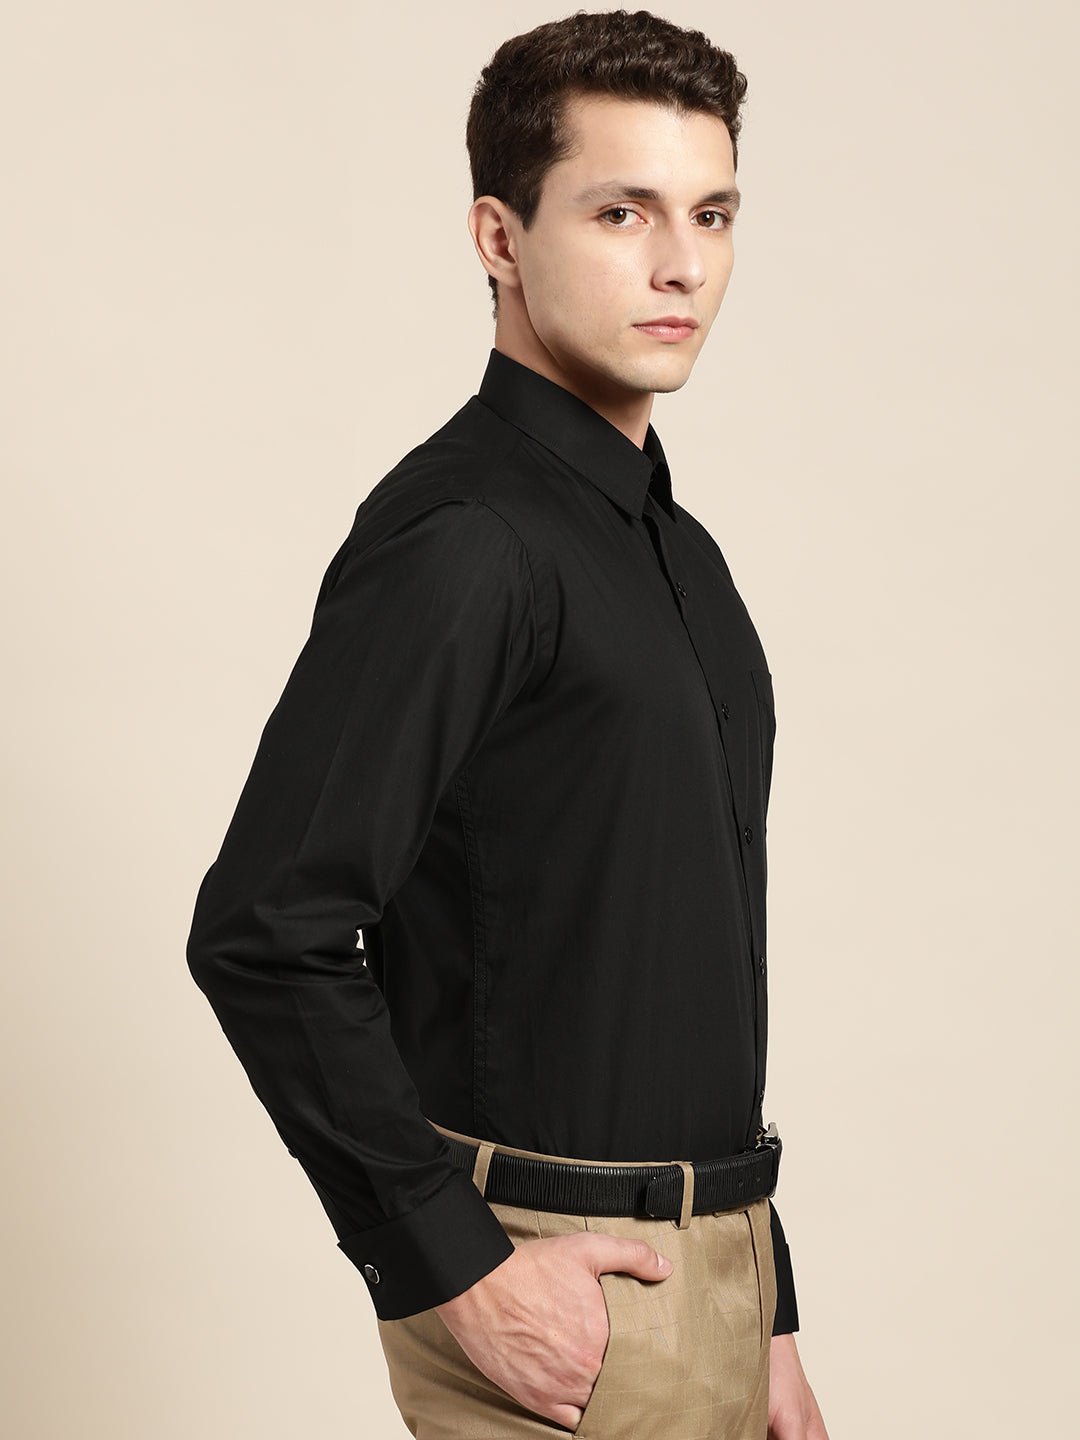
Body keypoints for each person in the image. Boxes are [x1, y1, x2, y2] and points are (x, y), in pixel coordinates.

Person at [186, 9, 829, 1439]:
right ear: (499, 236)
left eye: (713, 213)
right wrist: (457, 1269)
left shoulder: (681, 557)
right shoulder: (467, 540)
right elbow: (267, 926)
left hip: (717, 1281)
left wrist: (763, 1307)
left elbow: (677, 965)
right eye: (622, 211)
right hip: (565, 1293)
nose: (683, 263)